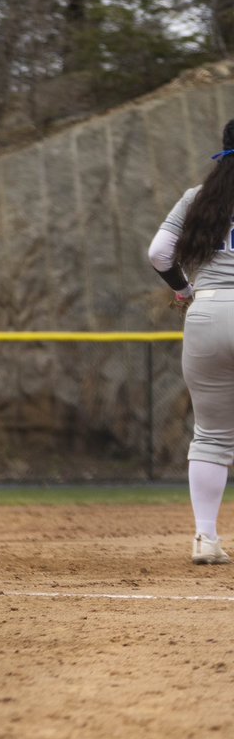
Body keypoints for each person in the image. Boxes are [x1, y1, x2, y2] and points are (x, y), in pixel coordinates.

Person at [148, 118, 234, 565]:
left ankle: (205, 538)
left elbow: (158, 253)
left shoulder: (197, 198)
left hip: (208, 311)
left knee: (211, 435)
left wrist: (183, 290)